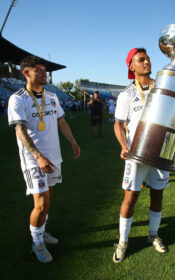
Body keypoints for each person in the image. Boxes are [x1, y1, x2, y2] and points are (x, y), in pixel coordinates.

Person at [7, 55, 80, 263]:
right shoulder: (18, 98)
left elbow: (62, 122)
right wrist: (38, 157)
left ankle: (41, 232)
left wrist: (73, 142)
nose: (44, 73)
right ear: (26, 73)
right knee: (40, 204)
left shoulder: (52, 97)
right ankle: (36, 242)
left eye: (44, 69)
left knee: (47, 202)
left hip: (54, 158)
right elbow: (20, 130)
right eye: (38, 69)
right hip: (34, 160)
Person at [113, 48, 169, 263]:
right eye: (141, 60)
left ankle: (153, 235)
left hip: (160, 152)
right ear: (131, 66)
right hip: (136, 154)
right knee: (130, 197)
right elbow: (118, 124)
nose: (147, 62)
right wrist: (122, 145)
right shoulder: (126, 94)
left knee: (158, 195)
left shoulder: (163, 88)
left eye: (148, 59)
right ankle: (123, 241)